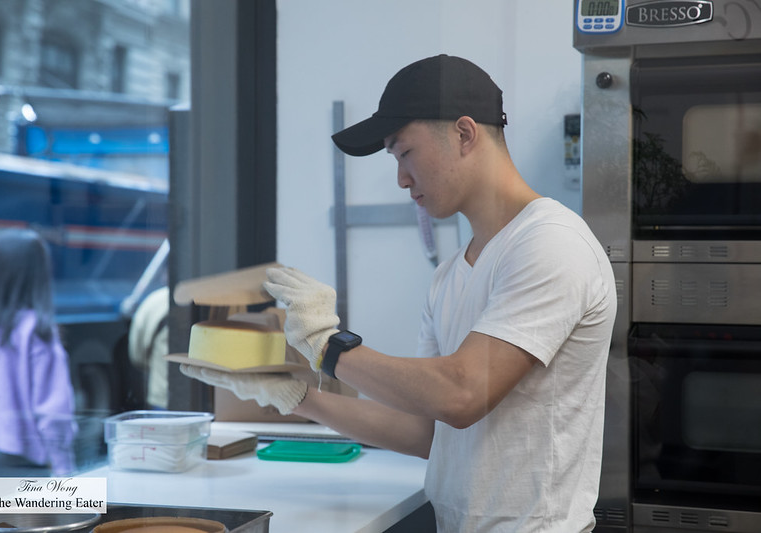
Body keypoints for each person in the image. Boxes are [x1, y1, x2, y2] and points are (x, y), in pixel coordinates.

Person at [181, 54, 617, 532]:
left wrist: (329, 345)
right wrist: (293, 397)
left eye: (404, 152)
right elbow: (424, 430)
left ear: (465, 134)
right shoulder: (450, 275)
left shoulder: (550, 243)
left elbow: (462, 392)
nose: (401, 178)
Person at [0, 228, 78, 494]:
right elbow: (53, 413)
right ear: (37, 276)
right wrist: (65, 474)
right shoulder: (36, 332)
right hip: (16, 461)